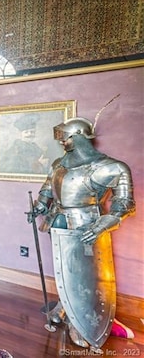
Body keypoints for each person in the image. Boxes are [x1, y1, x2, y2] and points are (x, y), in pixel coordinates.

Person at [29, 117, 135, 350]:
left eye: (65, 139)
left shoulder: (111, 167)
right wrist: (39, 206)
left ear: (78, 137)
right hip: (57, 219)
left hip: (86, 224)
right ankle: (64, 307)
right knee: (62, 267)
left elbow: (124, 203)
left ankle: (81, 320)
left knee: (83, 272)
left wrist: (102, 225)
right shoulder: (60, 163)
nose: (62, 144)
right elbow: (49, 187)